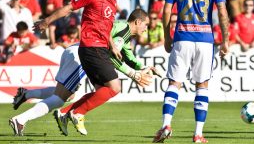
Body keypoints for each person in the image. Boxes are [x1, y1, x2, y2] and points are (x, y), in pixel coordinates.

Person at [33, 0, 158, 137]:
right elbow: (69, 8)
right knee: (114, 88)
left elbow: (105, 27)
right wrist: (46, 21)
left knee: (101, 90)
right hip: (92, 48)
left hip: (95, 49)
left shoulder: (113, 4)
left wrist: (112, 44)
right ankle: (77, 113)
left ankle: (65, 113)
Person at [9, 9, 157, 136]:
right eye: (145, 24)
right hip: (81, 56)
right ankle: (21, 120)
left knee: (71, 94)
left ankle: (27, 95)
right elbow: (109, 56)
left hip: (77, 51)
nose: (146, 28)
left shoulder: (123, 33)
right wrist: (133, 74)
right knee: (61, 98)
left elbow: (129, 57)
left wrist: (143, 67)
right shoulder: (122, 32)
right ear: (137, 22)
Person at [152, 0, 229, 143]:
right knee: (202, 85)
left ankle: (166, 124)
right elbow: (221, 12)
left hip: (182, 37)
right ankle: (198, 134)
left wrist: (168, 38)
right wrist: (226, 40)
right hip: (205, 40)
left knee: (174, 83)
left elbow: (167, 11)